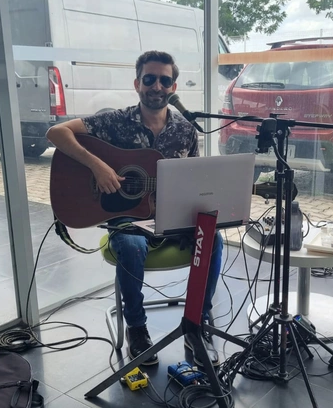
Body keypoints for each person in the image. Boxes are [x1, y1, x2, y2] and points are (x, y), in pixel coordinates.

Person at [46, 50, 223, 367]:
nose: (157, 86)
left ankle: (197, 323)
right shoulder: (115, 121)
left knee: (213, 238)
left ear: (173, 87)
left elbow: (192, 180)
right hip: (125, 214)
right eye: (149, 79)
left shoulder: (185, 129)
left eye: (164, 80)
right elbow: (56, 133)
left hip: (171, 216)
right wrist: (98, 167)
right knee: (130, 245)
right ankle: (137, 328)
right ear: (137, 83)